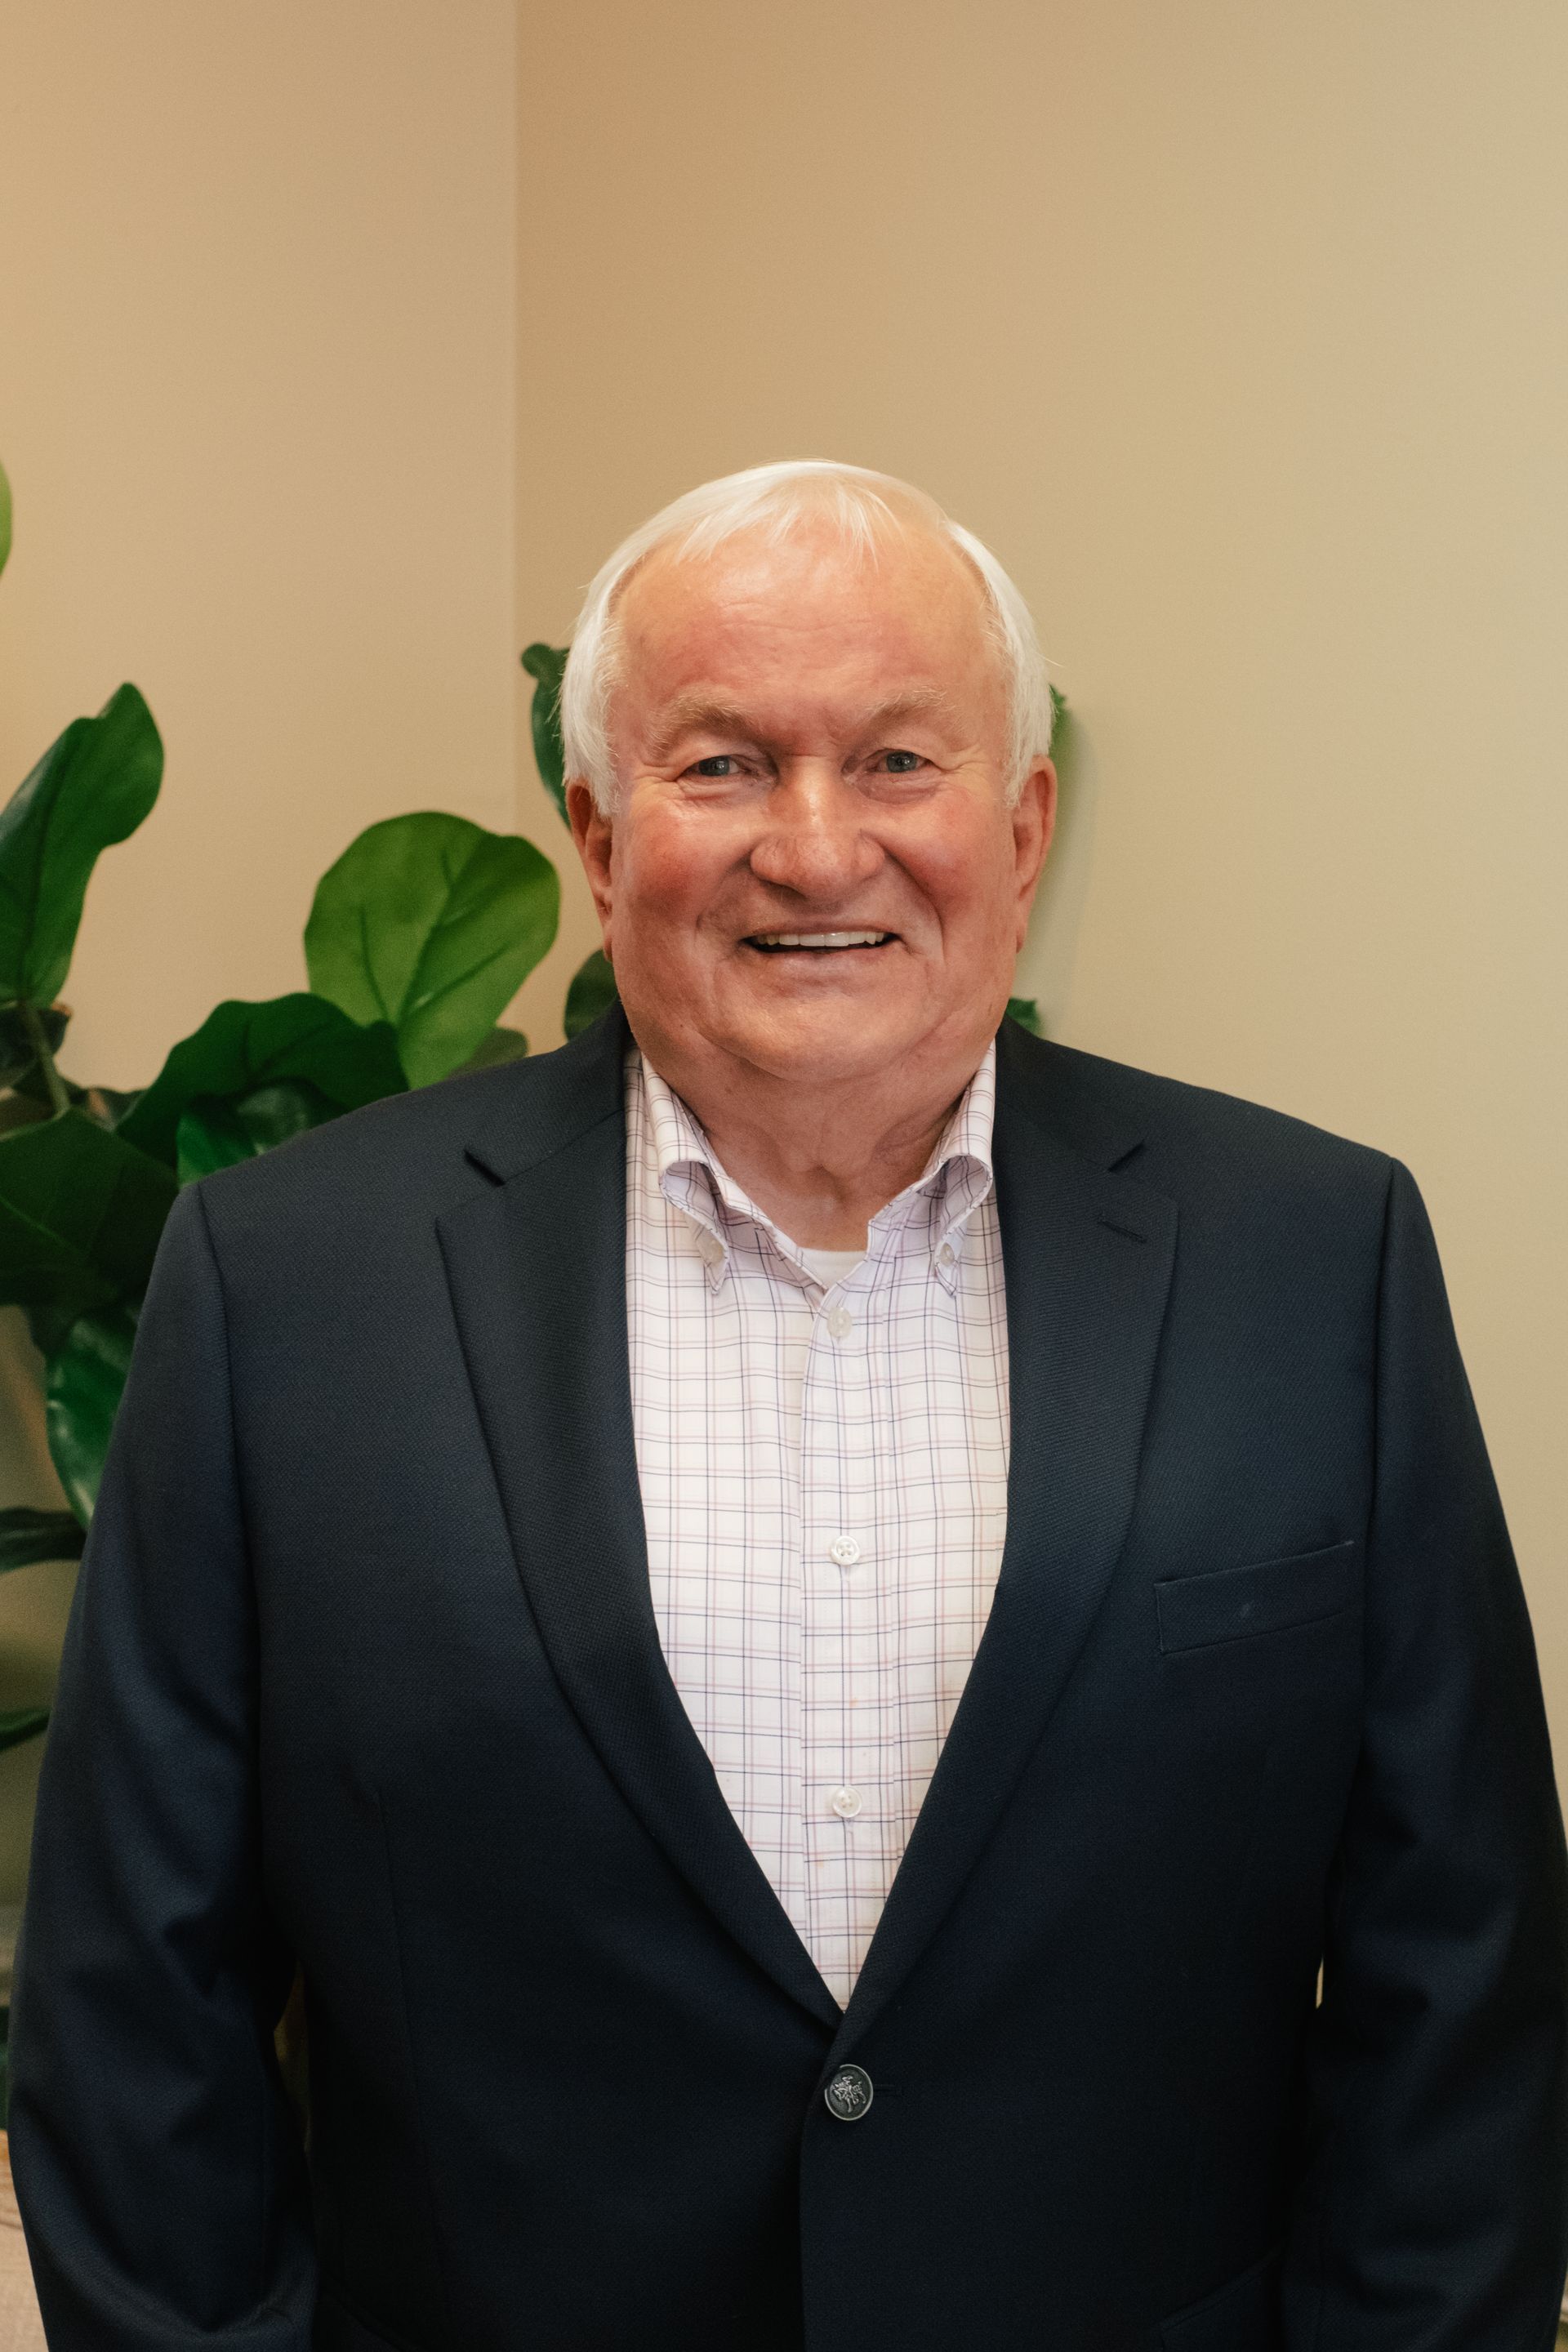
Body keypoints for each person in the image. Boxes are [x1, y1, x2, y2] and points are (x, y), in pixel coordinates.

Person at [10, 461, 1566, 2352]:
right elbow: (136, 2009)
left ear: (1023, 827)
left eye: (899, 760)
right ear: (600, 837)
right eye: (724, 764)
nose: (818, 852)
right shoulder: (286, 1285)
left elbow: (1458, 1987)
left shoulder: (1314, 1261)